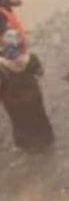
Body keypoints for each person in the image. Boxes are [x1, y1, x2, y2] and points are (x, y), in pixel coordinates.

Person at [0, 20, 54, 152]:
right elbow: (40, 72)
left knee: (19, 122)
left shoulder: (1, 64)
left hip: (12, 98)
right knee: (38, 117)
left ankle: (26, 145)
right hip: (32, 94)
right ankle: (44, 141)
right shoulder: (31, 58)